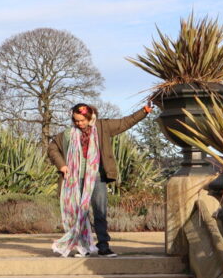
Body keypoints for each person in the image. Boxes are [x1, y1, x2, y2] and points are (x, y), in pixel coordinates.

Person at [46, 100, 153, 257]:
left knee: (100, 212)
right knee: (80, 213)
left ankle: (103, 246)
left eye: (82, 120)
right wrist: (62, 165)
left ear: (90, 117)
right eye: (76, 120)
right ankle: (84, 247)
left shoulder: (102, 127)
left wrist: (144, 111)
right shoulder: (68, 134)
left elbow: (125, 122)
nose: (79, 123)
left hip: (97, 177)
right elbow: (52, 148)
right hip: (75, 178)